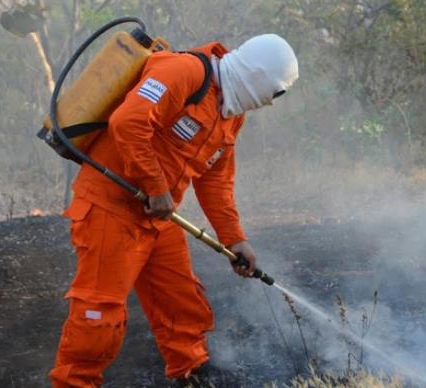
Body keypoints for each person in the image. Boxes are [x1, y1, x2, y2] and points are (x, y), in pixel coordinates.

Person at [49, 34, 299, 387]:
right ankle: (74, 383)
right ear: (256, 76)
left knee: (180, 300)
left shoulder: (230, 114)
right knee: (99, 314)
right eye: (274, 93)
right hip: (111, 205)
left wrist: (235, 239)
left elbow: (215, 182)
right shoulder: (183, 72)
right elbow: (128, 123)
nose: (270, 104)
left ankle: (192, 373)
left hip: (155, 215)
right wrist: (156, 186)